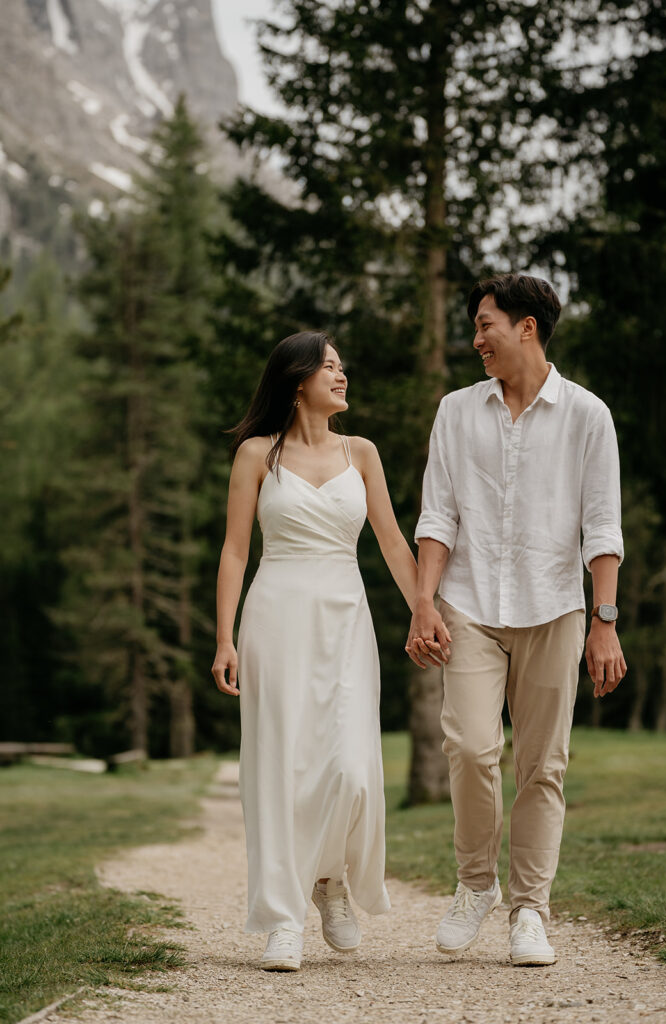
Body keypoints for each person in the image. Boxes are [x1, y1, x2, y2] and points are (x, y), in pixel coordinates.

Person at [406, 273, 626, 967]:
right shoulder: (455, 412)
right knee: (470, 748)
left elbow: (601, 528)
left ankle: (530, 909)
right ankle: (475, 884)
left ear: (525, 327)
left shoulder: (587, 415)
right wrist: (422, 602)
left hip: (554, 607)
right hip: (467, 604)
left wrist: (604, 621)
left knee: (542, 765)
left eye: (484, 326)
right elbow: (437, 515)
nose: (476, 340)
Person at [212, 331, 445, 972]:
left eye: (343, 365)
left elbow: (395, 545)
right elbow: (235, 550)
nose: (342, 376)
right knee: (279, 767)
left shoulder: (362, 452)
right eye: (330, 367)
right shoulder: (257, 455)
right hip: (276, 615)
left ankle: (331, 879)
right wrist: (225, 637)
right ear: (297, 382)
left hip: (345, 617)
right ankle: (282, 918)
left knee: (352, 769)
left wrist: (423, 608)